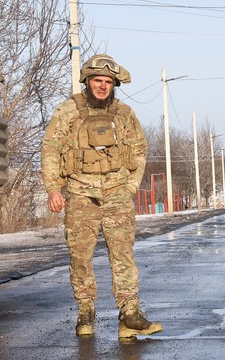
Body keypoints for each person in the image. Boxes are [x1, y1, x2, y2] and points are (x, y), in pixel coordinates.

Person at [40, 54, 162, 339]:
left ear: (114, 84)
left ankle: (129, 316)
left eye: (108, 81)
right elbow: (50, 149)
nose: (103, 86)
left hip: (117, 193)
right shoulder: (67, 111)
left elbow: (140, 149)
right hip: (80, 194)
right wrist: (53, 188)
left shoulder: (124, 114)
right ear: (87, 80)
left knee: (123, 256)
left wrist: (131, 186)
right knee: (80, 256)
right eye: (98, 80)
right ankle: (85, 313)